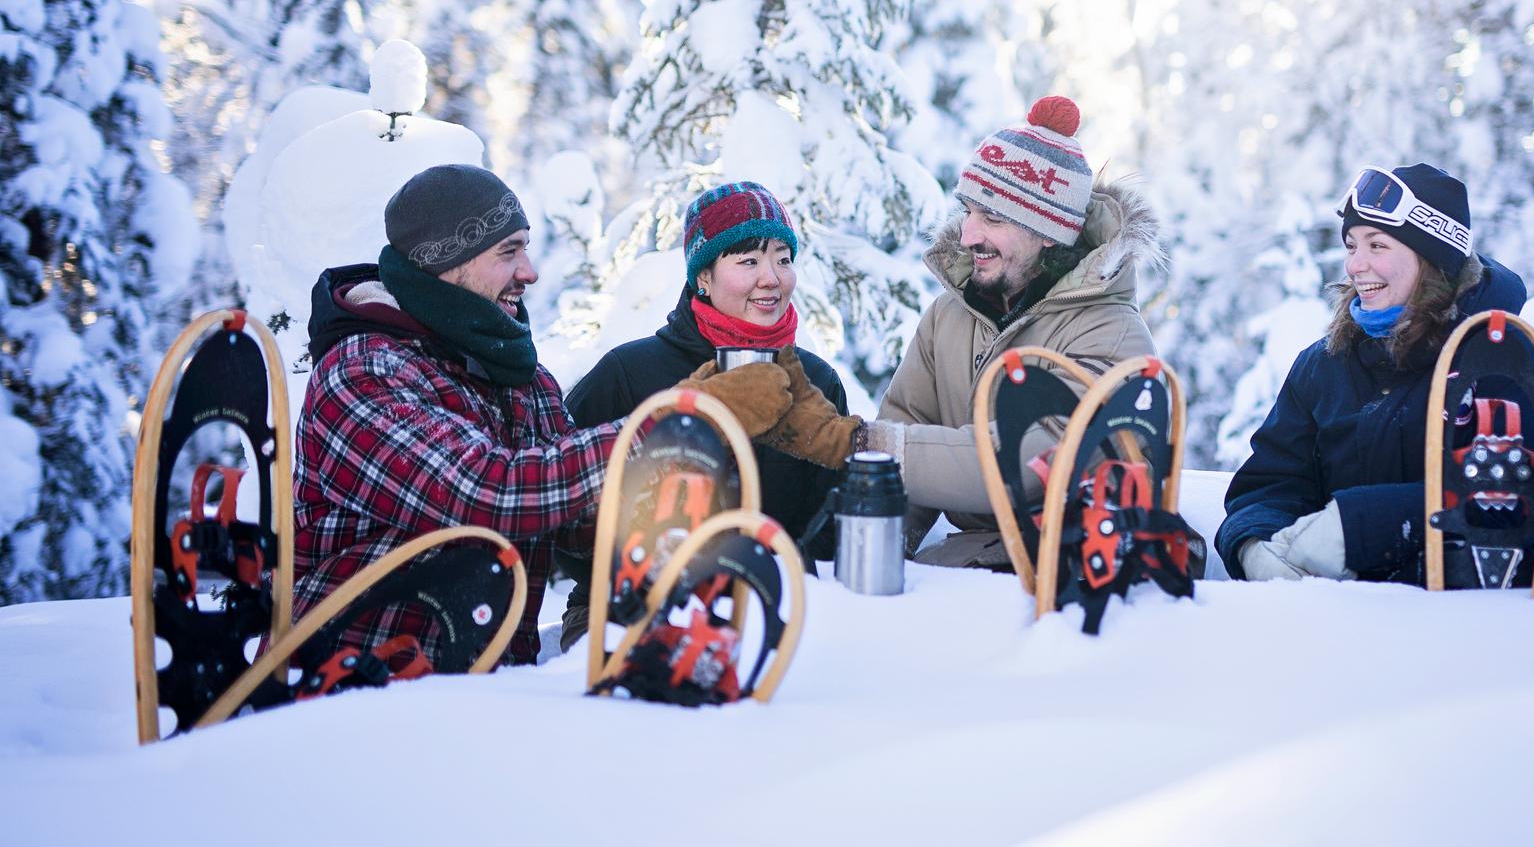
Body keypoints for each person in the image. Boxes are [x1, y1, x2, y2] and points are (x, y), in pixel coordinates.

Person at [294, 164, 792, 666]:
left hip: (484, 684)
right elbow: (485, 495)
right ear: (446, 263)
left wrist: (679, 515)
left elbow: (580, 519)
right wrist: (673, 421)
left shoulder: (520, 382)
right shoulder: (363, 371)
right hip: (348, 689)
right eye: (508, 251)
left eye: (525, 248)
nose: (529, 270)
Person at [732, 96, 1163, 569]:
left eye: (992, 219)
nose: (967, 235)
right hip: (967, 566)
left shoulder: (1111, 333)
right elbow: (909, 421)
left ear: (1049, 233)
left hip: (1069, 576)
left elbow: (1033, 460)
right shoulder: (950, 315)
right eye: (969, 211)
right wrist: (871, 548)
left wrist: (867, 444)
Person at [1215, 163, 1532, 584]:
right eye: (1351, 245)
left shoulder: (1500, 359)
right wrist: (1254, 546)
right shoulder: (1324, 365)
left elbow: (1531, 492)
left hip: (1471, 624)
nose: (1354, 265)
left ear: (1432, 259)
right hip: (1336, 623)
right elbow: (1271, 482)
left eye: (1377, 246)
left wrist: (1361, 527)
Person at [562, 182, 849, 634]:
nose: (771, 277)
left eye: (783, 258)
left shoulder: (816, 381)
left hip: (775, 611)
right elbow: (565, 509)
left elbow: (834, 524)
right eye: (749, 260)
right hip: (630, 612)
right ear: (703, 277)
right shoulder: (629, 372)